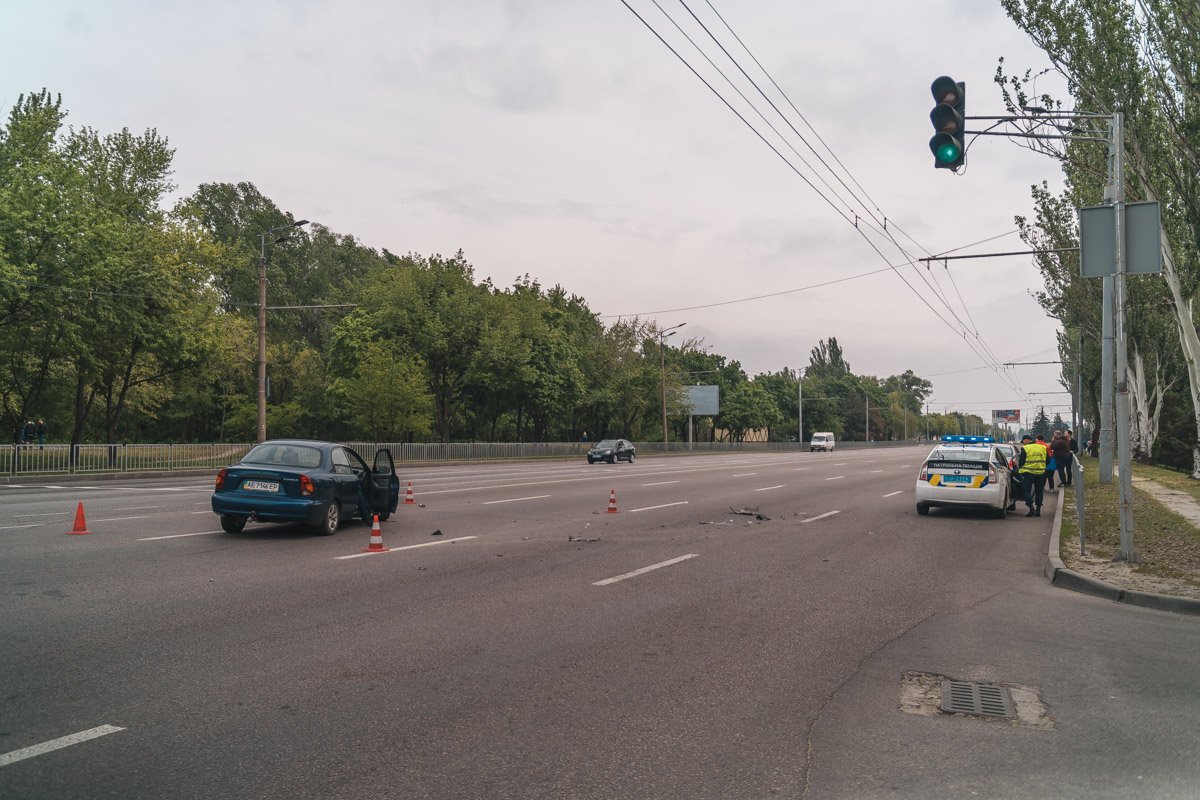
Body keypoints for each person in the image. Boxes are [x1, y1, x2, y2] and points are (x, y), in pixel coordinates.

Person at [1018, 434, 1047, 516]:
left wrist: (1020, 470)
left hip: (1028, 473)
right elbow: (1047, 460)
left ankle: (1031, 507)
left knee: (1026, 491)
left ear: (1026, 440)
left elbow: (1021, 462)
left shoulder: (1025, 448)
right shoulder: (1042, 447)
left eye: (1023, 442)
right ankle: (1038, 510)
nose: (1023, 443)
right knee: (1039, 491)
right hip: (1040, 473)